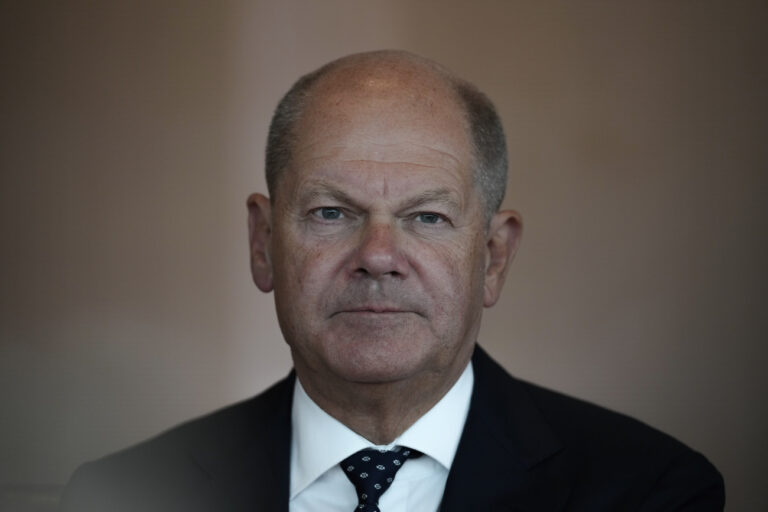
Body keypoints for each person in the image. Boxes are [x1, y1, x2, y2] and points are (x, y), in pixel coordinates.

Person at [59, 50, 724, 511]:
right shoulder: (122, 494)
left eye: (426, 216)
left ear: (492, 256)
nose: (377, 255)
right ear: (263, 245)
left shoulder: (648, 491)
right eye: (330, 212)